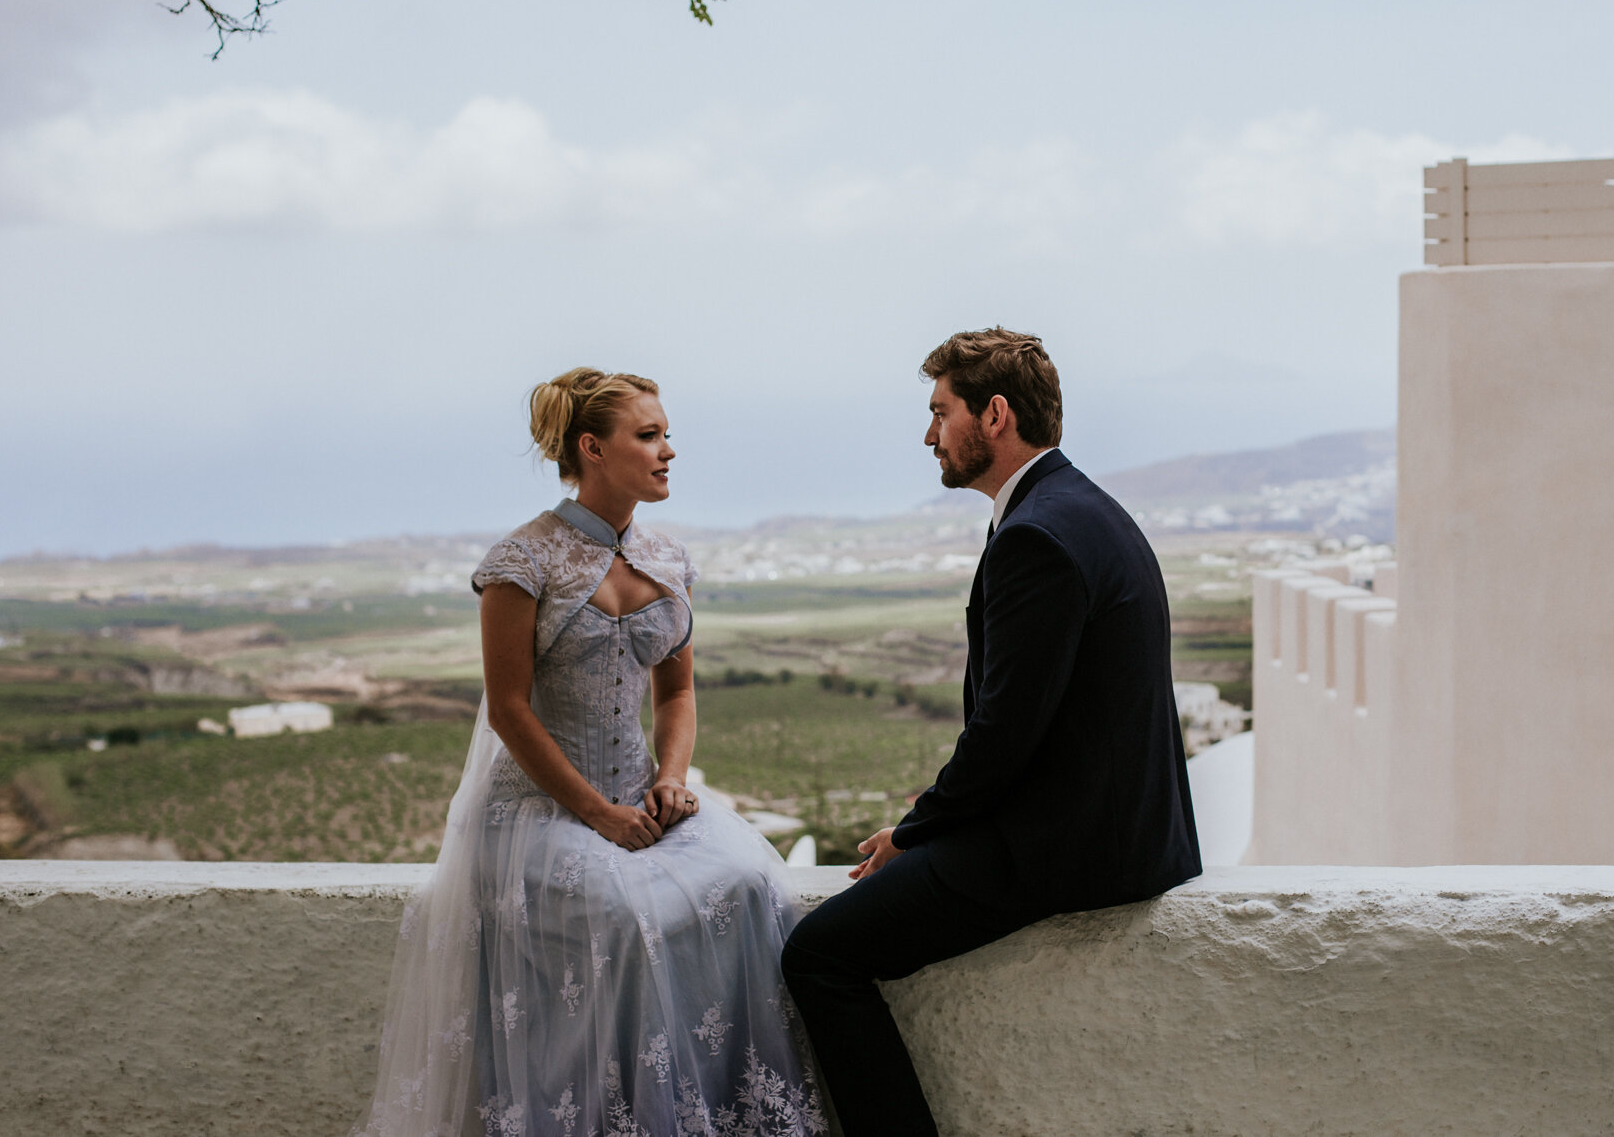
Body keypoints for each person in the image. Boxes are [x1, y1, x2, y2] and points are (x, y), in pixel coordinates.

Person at [356, 368, 825, 1137]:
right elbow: (508, 710)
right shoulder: (522, 562)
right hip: (537, 813)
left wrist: (670, 780)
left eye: (666, 433)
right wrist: (598, 813)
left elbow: (676, 696)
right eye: (650, 435)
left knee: (750, 880)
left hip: (639, 797)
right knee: (629, 917)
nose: (669, 450)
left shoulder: (668, 560)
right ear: (592, 448)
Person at [780, 328, 1202, 1136]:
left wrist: (916, 830)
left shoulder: (1036, 535)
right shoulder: (1080, 505)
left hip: (1070, 846)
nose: (929, 434)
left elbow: (1006, 729)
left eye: (941, 412)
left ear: (995, 414)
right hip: (1116, 828)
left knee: (818, 953)